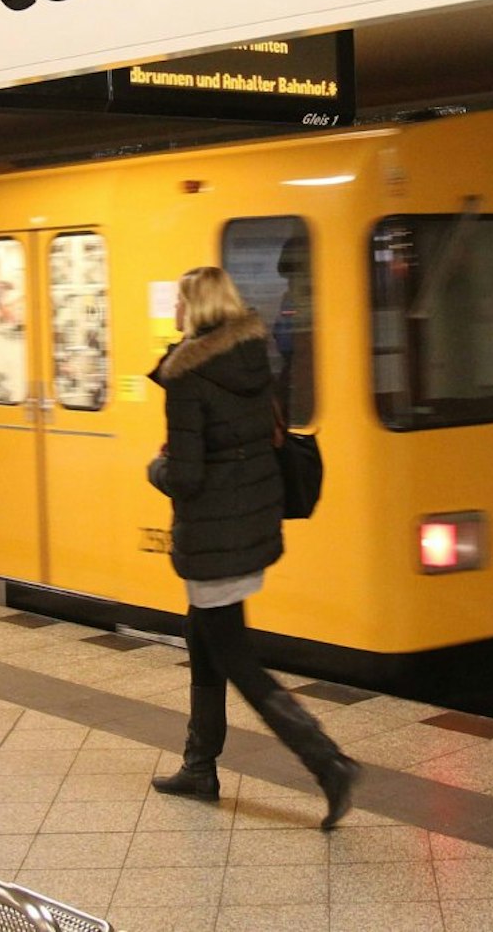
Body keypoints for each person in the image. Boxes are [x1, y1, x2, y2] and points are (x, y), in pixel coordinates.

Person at [146, 265, 359, 829]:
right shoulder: (250, 359)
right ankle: (199, 765)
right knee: (203, 635)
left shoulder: (188, 376)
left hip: (215, 536)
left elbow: (187, 475)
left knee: (236, 657)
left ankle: (327, 762)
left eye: (178, 301)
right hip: (248, 527)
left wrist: (157, 467)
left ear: (193, 308)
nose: (174, 311)